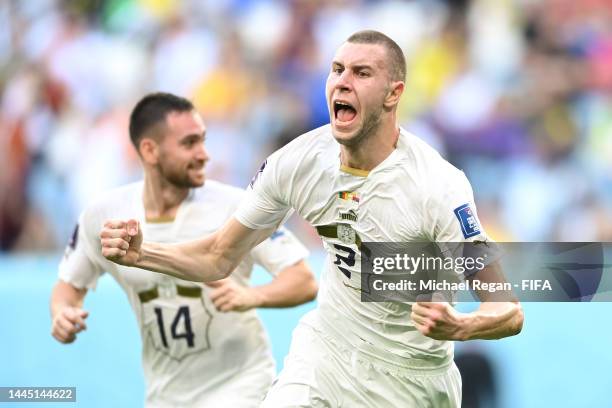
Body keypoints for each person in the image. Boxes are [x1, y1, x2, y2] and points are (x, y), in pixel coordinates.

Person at [100, 31, 523, 407]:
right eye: (337, 69)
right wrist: (143, 254)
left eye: (361, 73)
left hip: (409, 381)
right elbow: (218, 255)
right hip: (326, 354)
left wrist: (462, 325)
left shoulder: (438, 187)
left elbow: (507, 309)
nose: (342, 81)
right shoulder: (297, 162)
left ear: (393, 94)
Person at [51, 92, 317, 408]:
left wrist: (251, 296)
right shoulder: (104, 216)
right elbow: (69, 286)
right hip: (165, 395)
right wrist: (63, 314)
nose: (205, 154)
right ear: (150, 150)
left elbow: (304, 281)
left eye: (203, 141)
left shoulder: (238, 206)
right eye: (190, 144)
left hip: (241, 386)